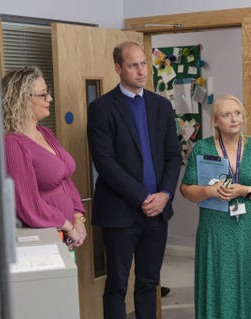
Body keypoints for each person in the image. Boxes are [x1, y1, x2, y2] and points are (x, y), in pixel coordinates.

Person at [87, 41, 182, 319]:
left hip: (158, 212)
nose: (141, 71)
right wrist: (142, 197)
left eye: (144, 64)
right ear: (118, 68)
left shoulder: (161, 106)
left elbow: (173, 156)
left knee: (148, 283)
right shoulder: (102, 108)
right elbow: (105, 162)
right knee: (116, 286)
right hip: (120, 213)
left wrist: (164, 193)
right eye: (133, 65)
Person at [180, 93, 251, 319]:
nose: (234, 119)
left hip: (249, 229)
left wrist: (245, 190)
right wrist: (207, 191)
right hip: (215, 229)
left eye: (237, 113)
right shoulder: (201, 148)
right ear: (215, 121)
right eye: (226, 115)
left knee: (247, 280)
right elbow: (186, 190)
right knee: (219, 281)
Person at [2, 66, 87, 248]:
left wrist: (79, 217)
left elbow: (66, 180)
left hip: (66, 234)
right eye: (43, 94)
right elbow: (28, 204)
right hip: (45, 238)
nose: (49, 99)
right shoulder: (12, 144)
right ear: (23, 100)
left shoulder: (45, 133)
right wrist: (68, 226)